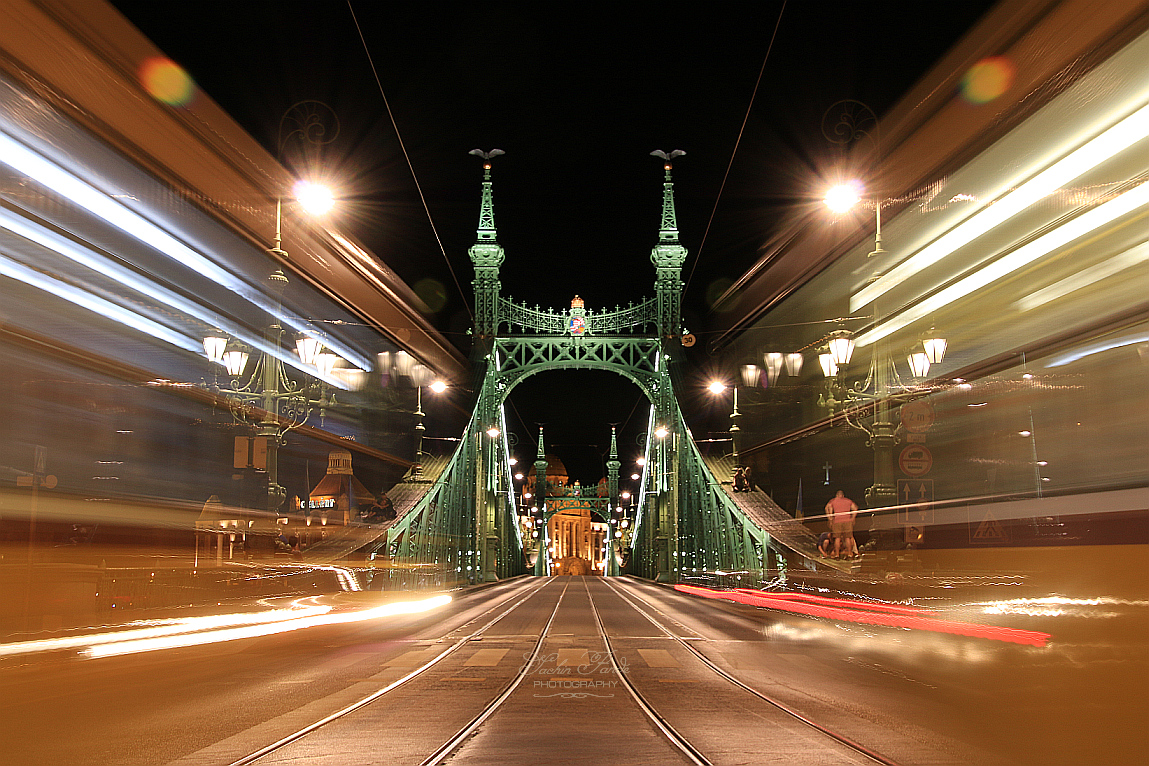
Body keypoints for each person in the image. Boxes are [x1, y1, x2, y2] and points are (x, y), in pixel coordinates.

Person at [825, 489, 859, 559]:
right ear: (843, 495)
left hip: (837, 521)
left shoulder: (833, 501)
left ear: (837, 495)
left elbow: (827, 508)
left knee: (837, 538)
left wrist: (830, 518)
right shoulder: (848, 501)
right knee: (848, 538)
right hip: (847, 521)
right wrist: (853, 518)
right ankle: (849, 554)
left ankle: (837, 555)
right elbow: (855, 508)